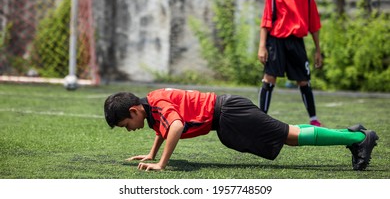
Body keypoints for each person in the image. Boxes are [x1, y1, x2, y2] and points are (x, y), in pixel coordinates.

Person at [103, 88, 378, 171]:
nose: (129, 130)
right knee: (290, 134)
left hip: (231, 113)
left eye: (126, 125)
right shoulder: (150, 105)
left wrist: (162, 164)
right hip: (227, 118)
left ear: (134, 111)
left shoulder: (157, 103)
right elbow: (161, 128)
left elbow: (174, 126)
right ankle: (351, 134)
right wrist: (151, 154)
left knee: (290, 136)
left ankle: (359, 137)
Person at [258, 0, 323, 126]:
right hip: (276, 41)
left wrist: (318, 50)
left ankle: (313, 119)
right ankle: (260, 119)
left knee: (304, 80)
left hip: (296, 43)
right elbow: (266, 21)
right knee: (269, 78)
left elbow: (314, 25)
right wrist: (262, 46)